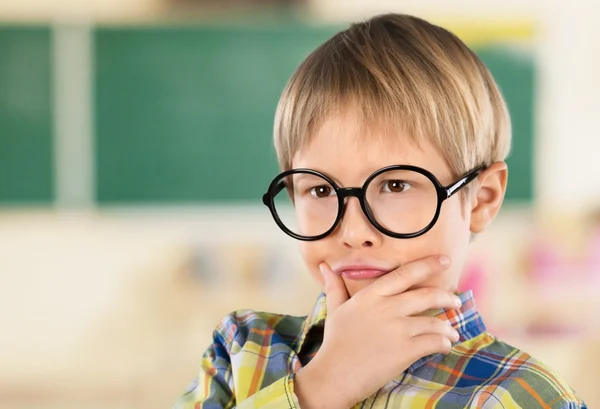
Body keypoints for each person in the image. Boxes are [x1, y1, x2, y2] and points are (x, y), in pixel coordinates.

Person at [174, 13, 587, 408]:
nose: (353, 231)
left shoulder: (526, 397)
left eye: (395, 185)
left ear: (481, 199)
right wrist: (321, 388)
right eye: (319, 189)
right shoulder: (243, 350)